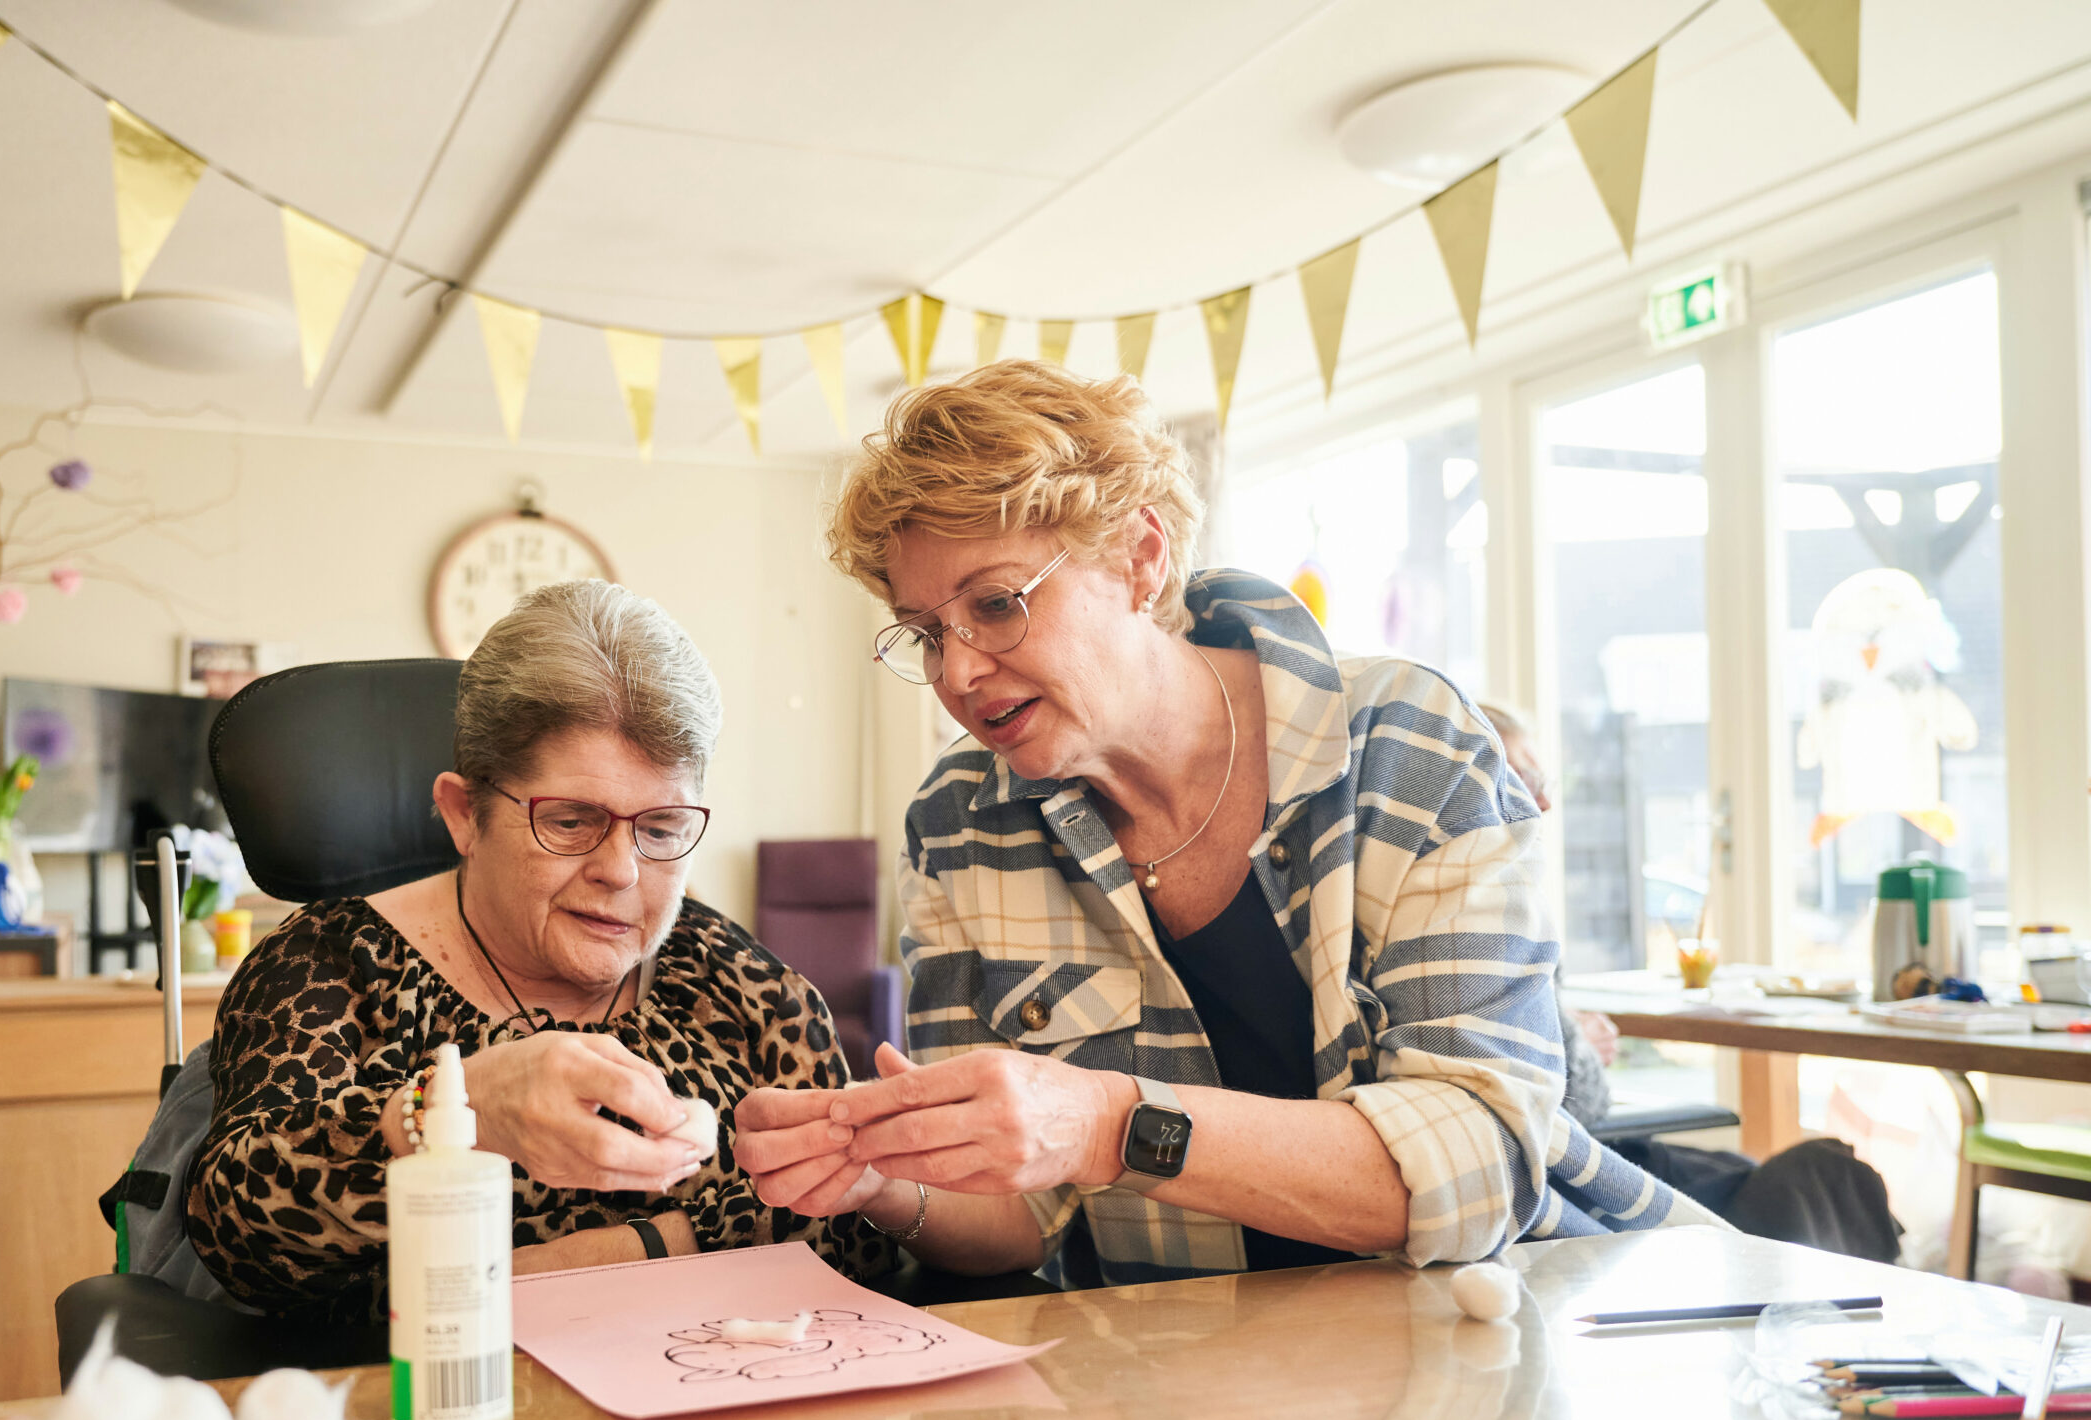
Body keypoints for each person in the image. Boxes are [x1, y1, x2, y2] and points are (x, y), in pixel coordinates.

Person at [735, 360, 1716, 1285]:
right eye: (924, 631)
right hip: (1191, 1384)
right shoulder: (959, 822)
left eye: (995, 604)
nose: (953, 672)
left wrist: (1113, 1125)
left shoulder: (1407, 749)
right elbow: (1019, 1214)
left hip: (1516, 1319)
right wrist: (886, 1181)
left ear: (1140, 557)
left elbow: (1479, 1165)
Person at [187, 580, 1035, 1322]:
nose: (621, 871)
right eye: (569, 821)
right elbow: (242, 1237)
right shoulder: (331, 969)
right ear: (461, 812)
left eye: (661, 828)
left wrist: (595, 1258)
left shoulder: (741, 986)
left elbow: (842, 1241)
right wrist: (453, 1110)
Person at [1474, 699, 1618, 1128]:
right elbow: (1580, 1103)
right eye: (1524, 778)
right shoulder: (1497, 908)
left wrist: (1563, 1028)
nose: (1545, 802)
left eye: (1542, 780)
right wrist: (1581, 1046)